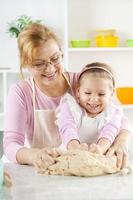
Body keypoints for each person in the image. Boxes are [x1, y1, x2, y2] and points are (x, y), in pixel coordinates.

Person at [3, 23, 130, 172]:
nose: (50, 69)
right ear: (26, 63)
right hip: (45, 172)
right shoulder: (21, 93)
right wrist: (34, 155)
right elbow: (11, 145)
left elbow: (120, 120)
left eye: (55, 58)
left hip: (86, 170)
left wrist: (120, 143)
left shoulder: (84, 84)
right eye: (39, 64)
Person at [56, 62, 132, 160]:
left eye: (101, 94)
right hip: (70, 154)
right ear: (78, 92)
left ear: (111, 93)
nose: (94, 99)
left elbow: (110, 130)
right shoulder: (70, 107)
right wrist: (74, 147)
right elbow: (67, 127)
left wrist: (100, 149)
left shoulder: (113, 112)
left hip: (100, 155)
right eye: (87, 93)